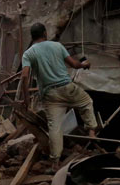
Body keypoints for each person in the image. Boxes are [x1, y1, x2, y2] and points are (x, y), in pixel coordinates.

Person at [18, 22, 98, 160]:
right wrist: (84, 64)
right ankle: (91, 131)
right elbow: (74, 64)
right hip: (67, 88)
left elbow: (24, 75)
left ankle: (55, 161)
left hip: (50, 95)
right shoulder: (57, 46)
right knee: (86, 102)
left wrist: (26, 99)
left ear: (32, 37)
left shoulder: (28, 53)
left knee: (54, 127)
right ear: (45, 33)